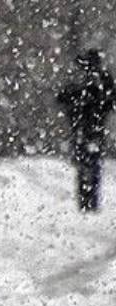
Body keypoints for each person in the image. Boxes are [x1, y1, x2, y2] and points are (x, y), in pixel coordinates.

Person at [58, 49, 116, 211]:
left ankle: (87, 200)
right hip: (88, 129)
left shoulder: (97, 82)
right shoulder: (94, 82)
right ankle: (87, 200)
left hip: (87, 129)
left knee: (88, 164)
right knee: (89, 164)